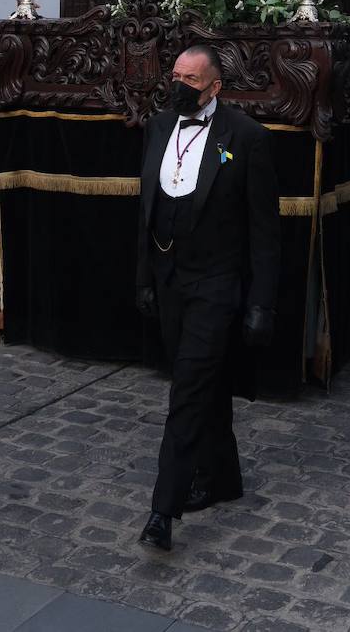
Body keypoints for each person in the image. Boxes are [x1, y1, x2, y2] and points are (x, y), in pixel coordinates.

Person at [136, 44, 279, 552]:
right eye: (175, 75)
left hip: (217, 284)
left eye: (191, 80)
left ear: (215, 87)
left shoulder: (246, 138)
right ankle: (224, 476)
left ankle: (162, 507)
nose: (180, 85)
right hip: (170, 279)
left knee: (188, 393)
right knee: (203, 383)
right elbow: (147, 212)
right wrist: (147, 280)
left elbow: (264, 230)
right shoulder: (157, 127)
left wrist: (262, 302)